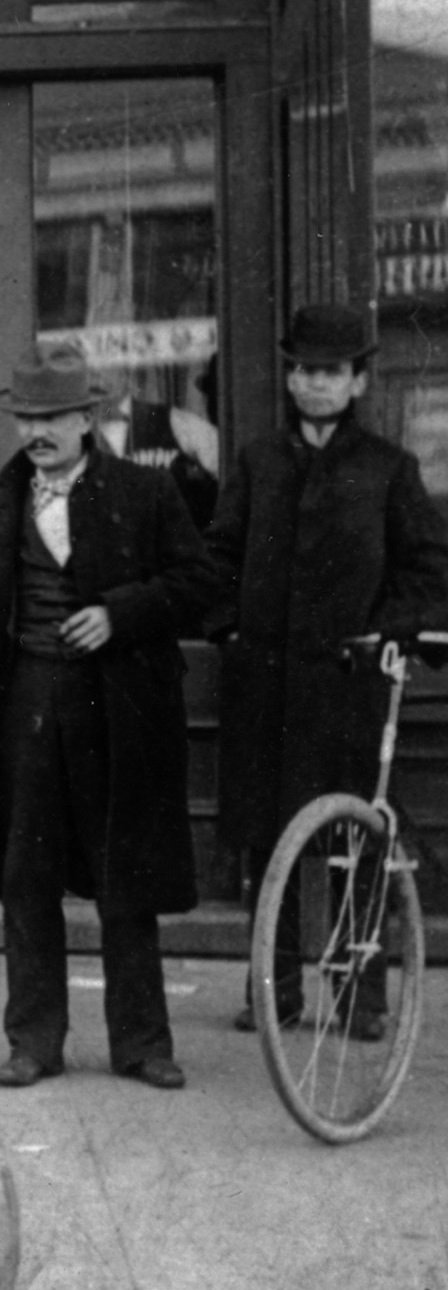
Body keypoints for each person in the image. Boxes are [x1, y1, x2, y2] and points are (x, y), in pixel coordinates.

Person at [0, 339, 220, 1092]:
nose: (37, 432)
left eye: (53, 417)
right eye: (26, 418)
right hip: (27, 703)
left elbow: (200, 580)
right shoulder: (1, 497)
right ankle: (33, 1041)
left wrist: (119, 614)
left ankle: (142, 1043)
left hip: (120, 707)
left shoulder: (145, 490)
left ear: (86, 418)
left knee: (124, 873)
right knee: (26, 873)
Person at [208, 303, 448, 1037]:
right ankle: (273, 993)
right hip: (267, 687)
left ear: (358, 381)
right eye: (305, 370)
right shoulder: (258, 462)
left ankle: (360, 997)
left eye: (332, 372)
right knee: (269, 843)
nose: (316, 384)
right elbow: (219, 557)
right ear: (290, 377)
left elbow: (428, 571)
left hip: (349, 687)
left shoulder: (388, 469)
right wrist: (228, 627)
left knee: (357, 842)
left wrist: (388, 627)